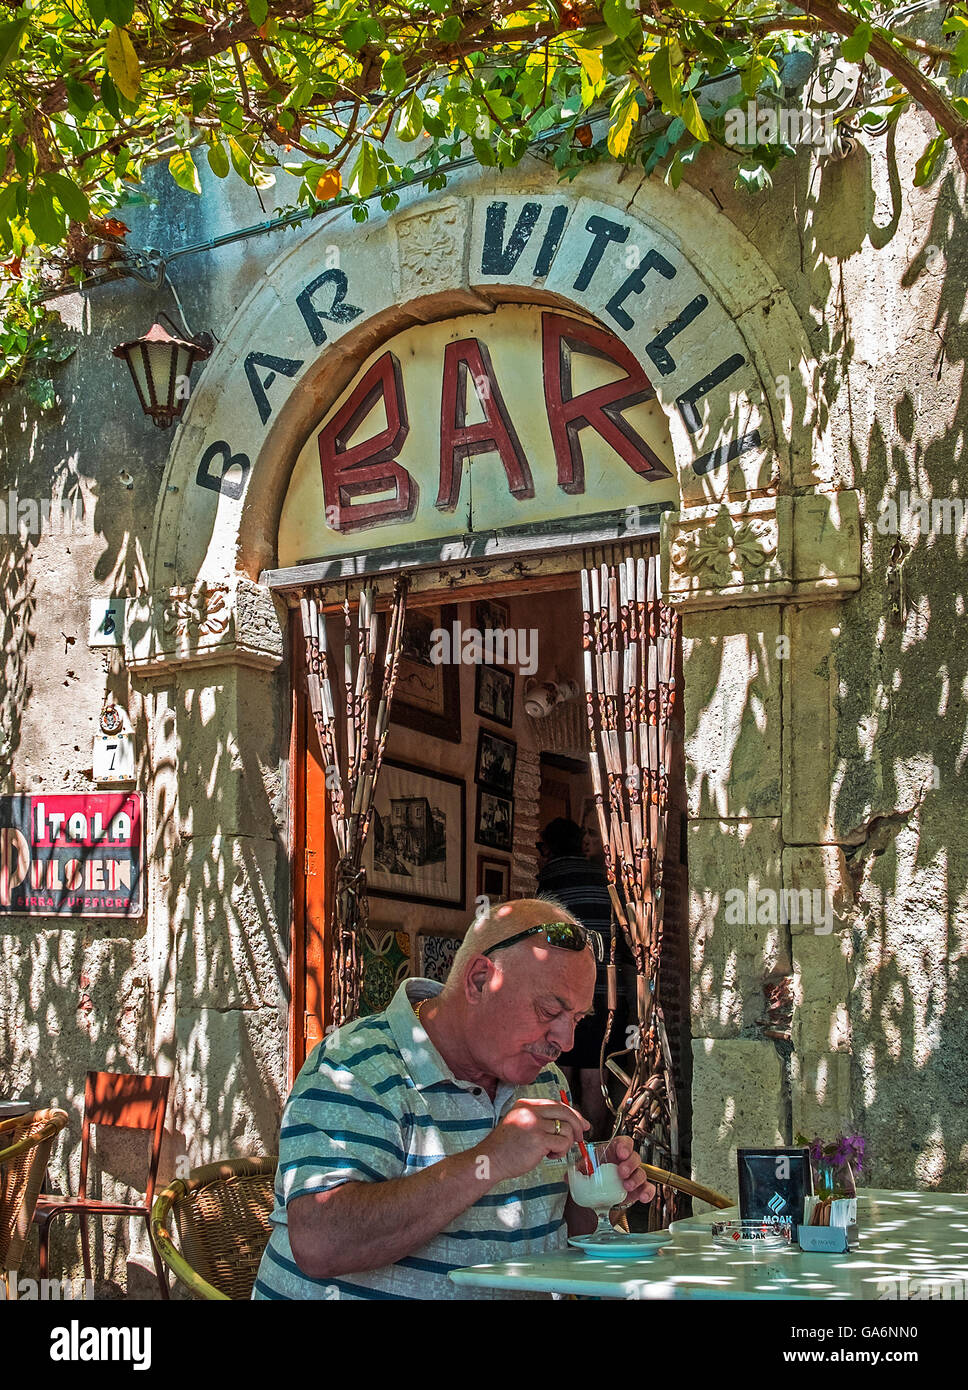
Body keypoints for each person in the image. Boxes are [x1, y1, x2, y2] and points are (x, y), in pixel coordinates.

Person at [253, 898, 654, 1299]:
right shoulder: (354, 1066)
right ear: (479, 980)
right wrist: (490, 1161)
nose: (565, 1041)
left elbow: (561, 1236)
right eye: (550, 1010)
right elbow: (322, 1243)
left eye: (578, 1020)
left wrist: (599, 1191)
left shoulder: (544, 1081)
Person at [536, 817, 634, 1137]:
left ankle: (564, 1156)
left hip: (562, 994)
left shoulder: (549, 881)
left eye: (539, 848)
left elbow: (541, 943)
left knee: (558, 1072)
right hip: (608, 992)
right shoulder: (605, 879)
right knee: (595, 1076)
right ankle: (594, 1156)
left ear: (548, 848)